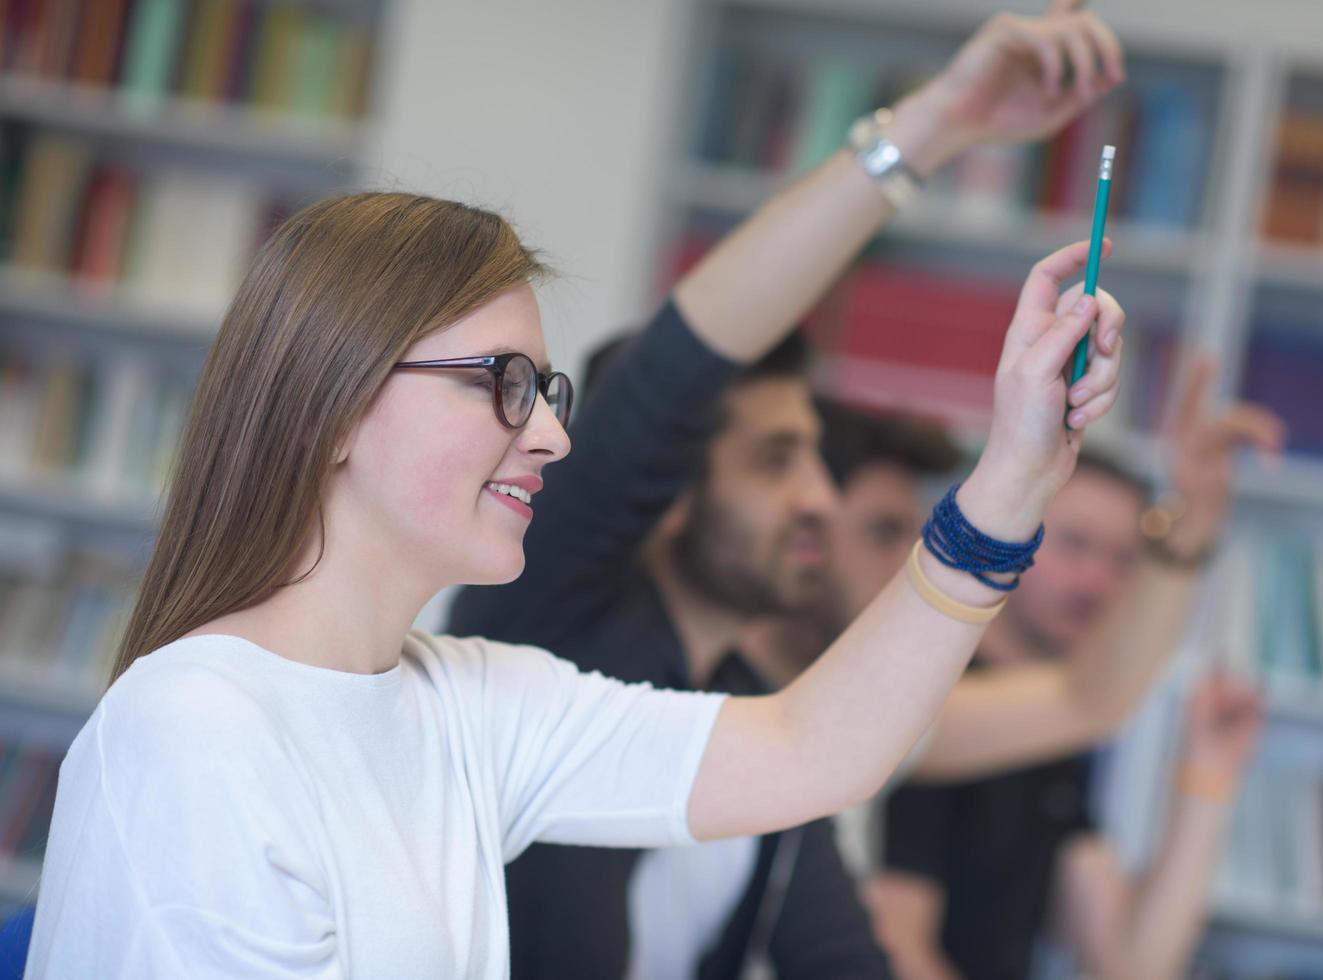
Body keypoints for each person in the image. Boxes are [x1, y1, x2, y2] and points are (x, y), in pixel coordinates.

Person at [25, 162, 1124, 980]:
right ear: (336, 406)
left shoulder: (466, 698)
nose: (550, 435)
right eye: (501, 381)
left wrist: (1013, 478)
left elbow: (810, 747)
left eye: (545, 392)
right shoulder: (195, 731)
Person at [444, 4, 1132, 975]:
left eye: (814, 456)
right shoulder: (545, 614)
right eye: (772, 459)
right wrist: (934, 123)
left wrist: (1021, 473)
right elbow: (682, 359)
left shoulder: (750, 714)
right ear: (664, 488)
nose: (819, 496)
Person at [866, 359, 1280, 980]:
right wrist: (1186, 530)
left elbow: (1131, 964)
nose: (1100, 583)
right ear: (1016, 533)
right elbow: (892, 952)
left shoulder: (1048, 738)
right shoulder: (939, 701)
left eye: (1124, 560)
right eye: (1075, 545)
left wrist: (1209, 774)